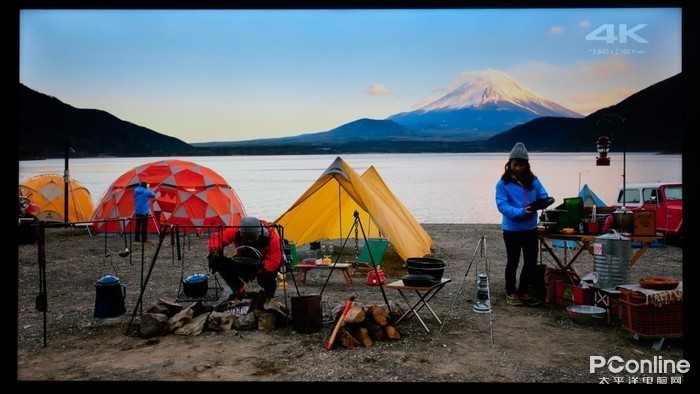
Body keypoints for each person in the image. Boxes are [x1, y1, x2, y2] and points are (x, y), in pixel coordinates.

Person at [495, 142, 549, 307]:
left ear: (526, 165)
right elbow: (502, 205)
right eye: (515, 164)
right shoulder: (502, 184)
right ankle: (511, 291)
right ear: (509, 164)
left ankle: (523, 291)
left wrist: (542, 204)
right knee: (513, 260)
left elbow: (543, 195)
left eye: (521, 165)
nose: (518, 168)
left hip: (530, 229)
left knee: (531, 261)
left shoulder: (534, 181)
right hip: (512, 229)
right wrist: (520, 212)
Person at [207, 216, 282, 299]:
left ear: (259, 233)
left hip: (262, 264)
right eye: (246, 239)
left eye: (253, 239)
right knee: (219, 262)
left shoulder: (271, 239)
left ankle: (269, 296)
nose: (250, 241)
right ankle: (238, 289)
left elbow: (274, 261)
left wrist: (257, 270)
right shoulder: (237, 231)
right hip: (243, 261)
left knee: (266, 279)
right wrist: (215, 250)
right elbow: (218, 237)